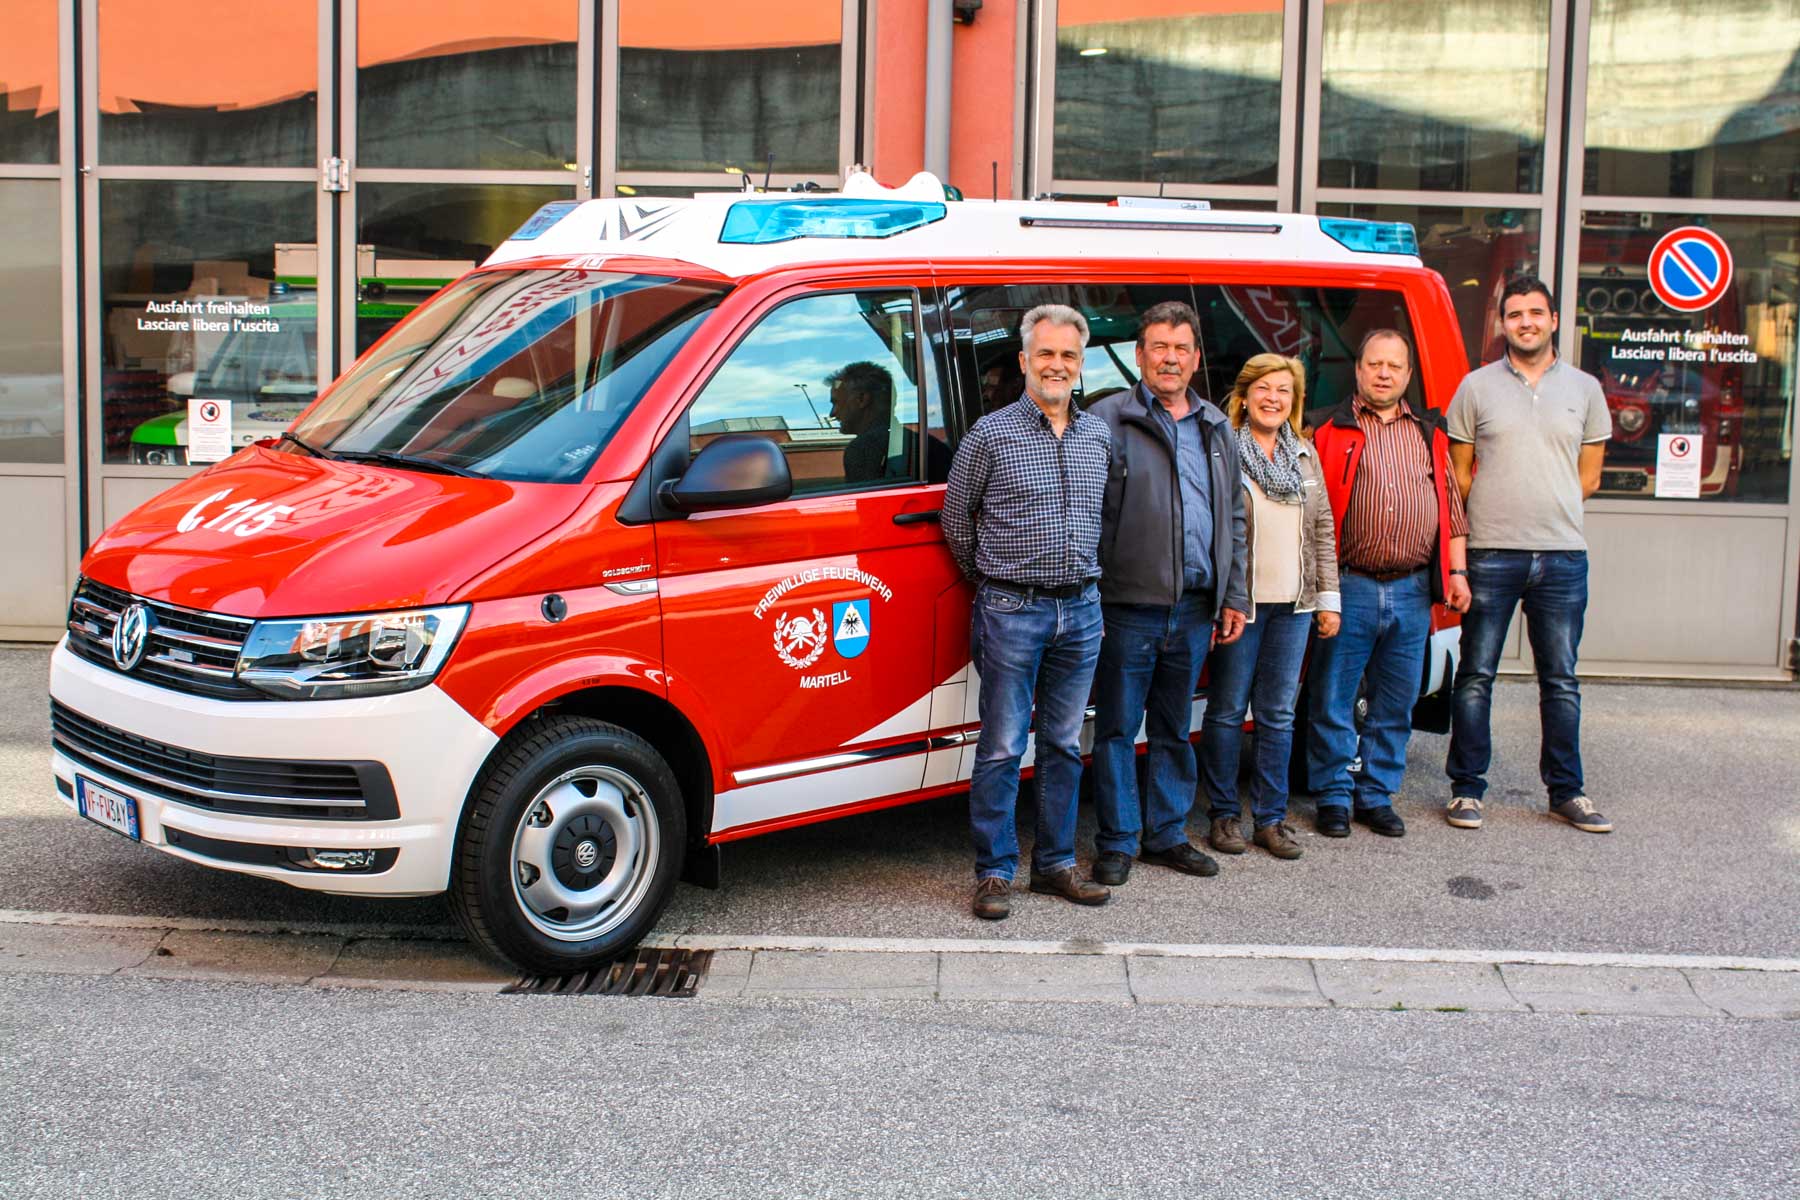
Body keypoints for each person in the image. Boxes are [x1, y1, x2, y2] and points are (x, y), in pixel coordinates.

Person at [943, 304, 1113, 920]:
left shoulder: (1098, 437)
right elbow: (957, 522)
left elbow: (1104, 522)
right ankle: (994, 874)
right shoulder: (990, 435)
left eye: (1068, 355)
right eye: (1045, 353)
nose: (1057, 365)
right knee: (1002, 746)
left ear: (1081, 363)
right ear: (1023, 361)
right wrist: (992, 583)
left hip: (1083, 611)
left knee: (1065, 744)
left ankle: (1056, 866)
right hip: (1012, 608)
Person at [1085, 301, 1247, 886]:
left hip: (1197, 608)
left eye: (1181, 348)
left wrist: (1236, 594)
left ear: (1196, 358)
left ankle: (1167, 835)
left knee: (1175, 729)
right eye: (1159, 346)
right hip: (1126, 608)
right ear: (1140, 355)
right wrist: (1090, 599)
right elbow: (1088, 516)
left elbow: (1233, 516)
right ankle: (1119, 841)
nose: (1170, 358)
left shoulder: (1217, 426)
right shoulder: (1107, 420)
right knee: (1117, 732)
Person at [1444, 277, 1613, 833]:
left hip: (1563, 555)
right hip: (1492, 552)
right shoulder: (1475, 388)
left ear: (1554, 320)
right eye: (1515, 314)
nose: (1526, 323)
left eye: (1535, 313)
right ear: (1503, 324)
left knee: (1560, 678)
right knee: (1476, 675)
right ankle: (1466, 790)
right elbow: (1459, 477)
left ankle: (1566, 791)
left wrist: (1545, 503)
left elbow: (1588, 478)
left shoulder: (1586, 389)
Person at [1307, 330, 1470, 838]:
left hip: (1412, 587)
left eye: (1393, 366)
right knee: (1334, 696)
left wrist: (1458, 573)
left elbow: (1452, 510)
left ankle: (1375, 794)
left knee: (1395, 700)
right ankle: (1334, 795)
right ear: (1358, 370)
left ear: (1407, 375)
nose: (1383, 373)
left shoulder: (1429, 432)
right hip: (1350, 584)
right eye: (1374, 364)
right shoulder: (1328, 430)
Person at [1198, 355, 1340, 860]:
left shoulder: (1303, 454)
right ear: (1244, 395)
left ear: (1294, 401)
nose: (1273, 398)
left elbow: (1322, 527)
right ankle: (1223, 815)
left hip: (1295, 606)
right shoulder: (1222, 451)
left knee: (1278, 715)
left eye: (1284, 390)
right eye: (1263, 388)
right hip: (1243, 606)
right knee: (1227, 712)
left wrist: (1329, 598)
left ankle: (1272, 819)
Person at [825, 361, 895, 482]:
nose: (832, 413)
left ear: (861, 399)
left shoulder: (863, 449)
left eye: (836, 402)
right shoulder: (916, 442)